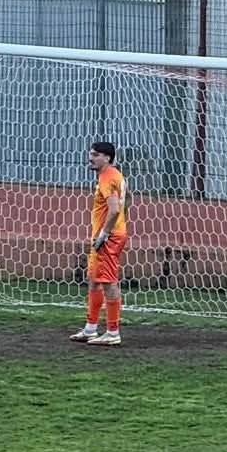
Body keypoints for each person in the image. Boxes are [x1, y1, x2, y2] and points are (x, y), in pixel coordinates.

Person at [71, 140, 129, 347]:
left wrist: (104, 234)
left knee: (108, 281)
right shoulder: (111, 176)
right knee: (95, 279)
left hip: (109, 237)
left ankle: (113, 332)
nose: (90, 157)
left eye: (95, 154)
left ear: (107, 158)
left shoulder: (109, 178)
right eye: (91, 153)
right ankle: (90, 328)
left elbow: (114, 209)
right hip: (106, 235)